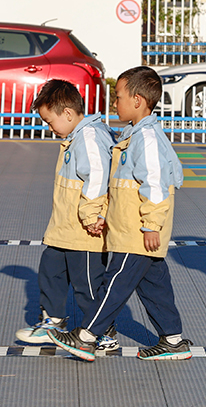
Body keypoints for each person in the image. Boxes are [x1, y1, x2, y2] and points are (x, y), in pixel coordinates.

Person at [49, 66, 190, 361]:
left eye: (119, 96)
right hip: (129, 230)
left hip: (137, 233)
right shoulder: (133, 136)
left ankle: (87, 337)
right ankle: (173, 340)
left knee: (114, 285)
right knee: (154, 287)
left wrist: (152, 225)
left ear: (137, 100)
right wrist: (105, 215)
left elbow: (155, 184)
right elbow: (122, 188)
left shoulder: (147, 138)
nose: (115, 103)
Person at [15, 80, 118, 350]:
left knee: (87, 284)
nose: (50, 128)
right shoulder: (77, 136)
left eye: (50, 122)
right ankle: (53, 322)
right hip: (63, 229)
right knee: (50, 271)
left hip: (85, 231)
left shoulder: (90, 136)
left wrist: (91, 214)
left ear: (68, 114)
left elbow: (97, 177)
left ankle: (102, 332)